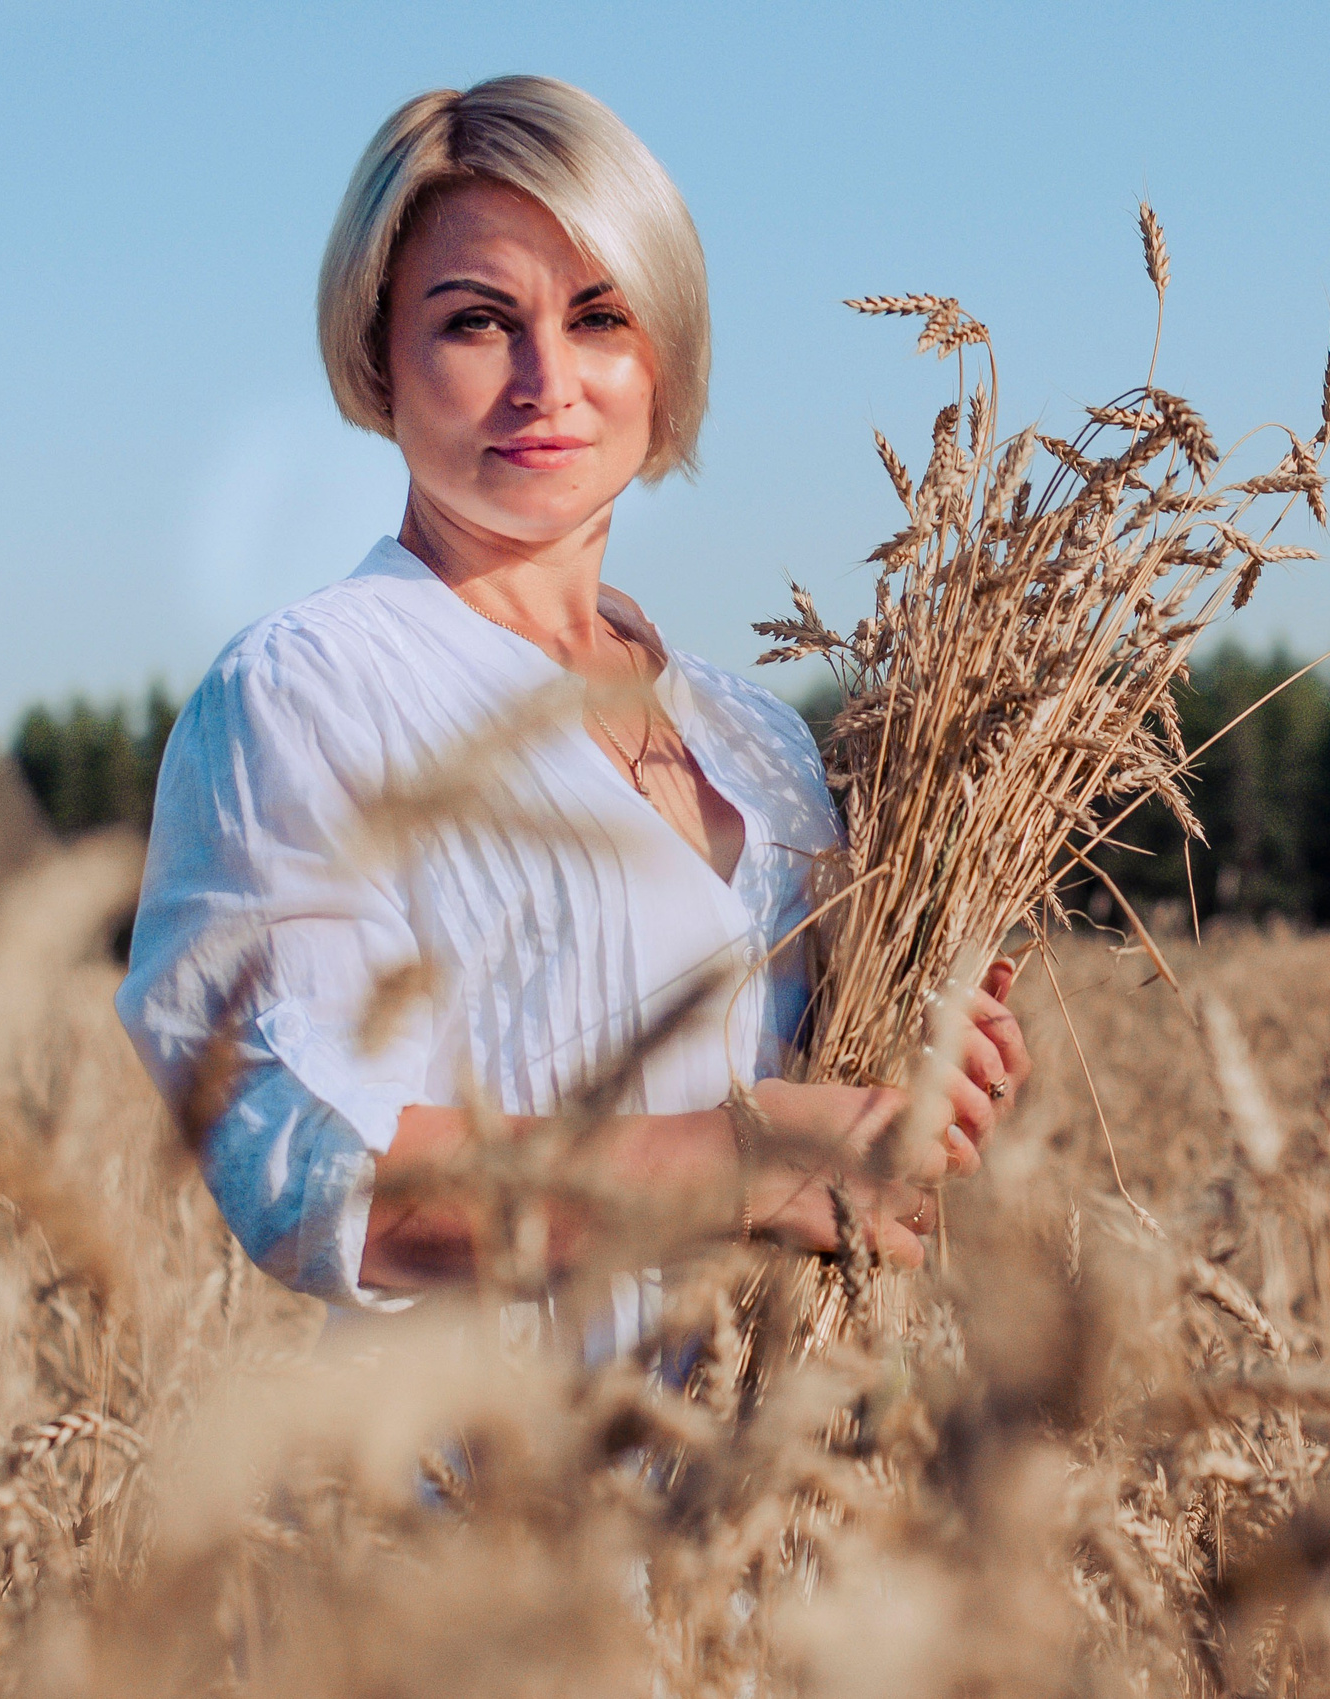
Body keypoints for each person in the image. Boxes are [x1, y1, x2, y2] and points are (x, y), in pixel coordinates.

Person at [116, 75, 1028, 1322]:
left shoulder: (757, 739)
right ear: (380, 354)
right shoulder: (308, 693)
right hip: (490, 1499)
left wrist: (927, 1093)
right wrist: (742, 1161)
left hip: (795, 1496)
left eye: (600, 316)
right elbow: (318, 1176)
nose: (546, 379)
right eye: (478, 322)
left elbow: (833, 1147)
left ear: (663, 351)